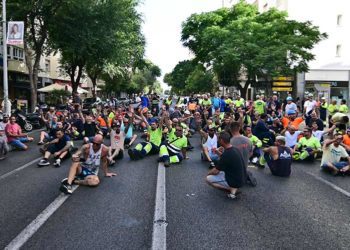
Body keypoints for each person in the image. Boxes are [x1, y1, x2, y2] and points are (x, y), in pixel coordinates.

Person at [206, 131, 246, 199]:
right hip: (242, 178)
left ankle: (231, 190)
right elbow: (226, 158)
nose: (218, 141)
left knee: (208, 179)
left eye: (218, 139)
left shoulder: (227, 154)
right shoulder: (234, 149)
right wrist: (217, 152)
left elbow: (216, 171)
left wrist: (208, 173)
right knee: (222, 171)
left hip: (235, 181)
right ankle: (233, 189)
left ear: (221, 140)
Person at [229, 121, 257, 186]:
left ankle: (241, 175)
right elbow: (251, 153)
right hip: (245, 165)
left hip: (234, 169)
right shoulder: (248, 140)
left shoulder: (230, 142)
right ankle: (245, 173)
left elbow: (228, 158)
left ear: (230, 129)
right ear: (239, 128)